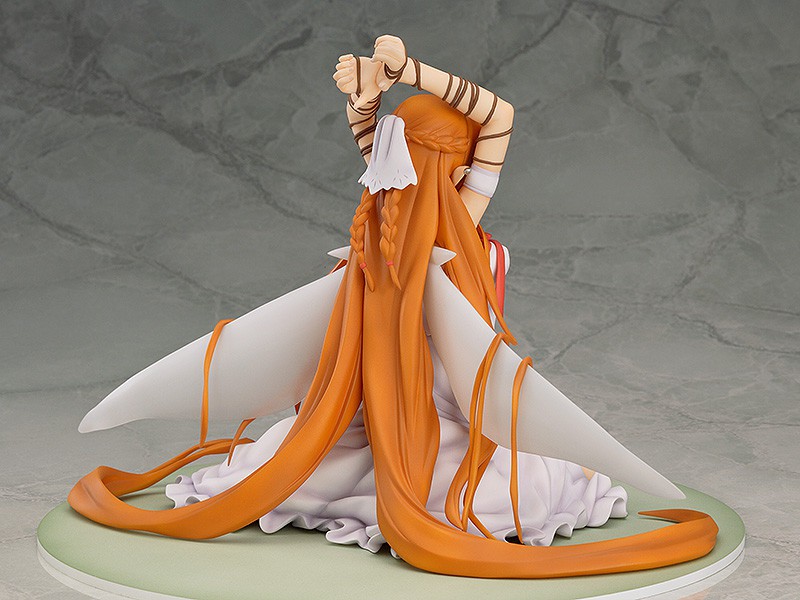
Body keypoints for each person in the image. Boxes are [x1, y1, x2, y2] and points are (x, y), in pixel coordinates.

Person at [68, 35, 717, 578]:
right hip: (440, 416)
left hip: (361, 413)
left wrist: (367, 105)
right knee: (506, 479)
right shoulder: (463, 235)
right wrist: (408, 73)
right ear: (458, 172)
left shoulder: (372, 243)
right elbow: (499, 115)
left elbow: (391, 161)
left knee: (306, 458)